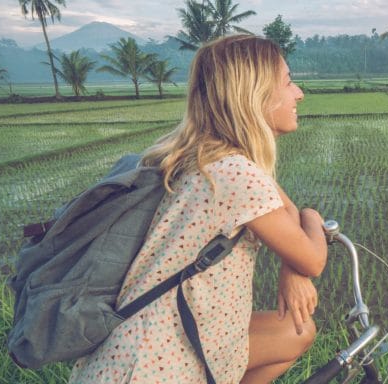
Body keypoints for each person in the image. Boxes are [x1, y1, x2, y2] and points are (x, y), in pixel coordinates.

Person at [68, 35, 328, 384]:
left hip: (156, 341)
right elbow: (312, 256)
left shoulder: (211, 155)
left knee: (296, 331)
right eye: (288, 81)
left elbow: (287, 219)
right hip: (154, 366)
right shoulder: (235, 174)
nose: (299, 93)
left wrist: (290, 266)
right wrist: (312, 220)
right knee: (295, 330)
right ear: (255, 95)